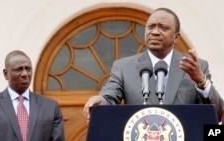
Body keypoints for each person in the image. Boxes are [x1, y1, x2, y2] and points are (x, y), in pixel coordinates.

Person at [83, 8, 224, 123]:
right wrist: (99, 100)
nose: (155, 32)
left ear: (176, 36)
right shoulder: (124, 67)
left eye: (163, 28)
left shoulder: (196, 67)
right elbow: (109, 96)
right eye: (150, 27)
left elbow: (218, 114)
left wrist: (201, 81)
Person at [0, 50, 66, 141]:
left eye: (28, 69)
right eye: (18, 69)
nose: (25, 74)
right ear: (6, 74)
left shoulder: (50, 107)